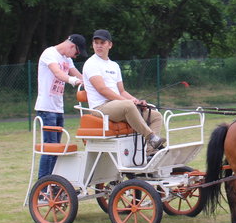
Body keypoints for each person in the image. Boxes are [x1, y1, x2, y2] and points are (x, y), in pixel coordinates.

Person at [81, 29, 165, 155]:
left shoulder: (114, 65)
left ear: (109, 45)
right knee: (128, 105)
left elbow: (122, 91)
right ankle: (152, 138)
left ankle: (150, 152)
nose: (98, 45)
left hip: (118, 106)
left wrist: (136, 100)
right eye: (96, 42)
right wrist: (128, 102)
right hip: (100, 107)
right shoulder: (91, 64)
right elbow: (102, 90)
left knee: (155, 115)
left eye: (102, 42)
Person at [34, 34, 86, 178]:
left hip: (57, 109)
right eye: (77, 52)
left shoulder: (66, 58)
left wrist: (91, 84)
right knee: (50, 149)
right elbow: (57, 73)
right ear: (71, 46)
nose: (76, 56)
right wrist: (73, 81)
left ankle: (52, 183)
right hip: (46, 109)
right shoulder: (49, 54)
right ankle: (43, 186)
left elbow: (77, 74)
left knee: (57, 150)